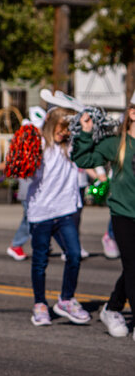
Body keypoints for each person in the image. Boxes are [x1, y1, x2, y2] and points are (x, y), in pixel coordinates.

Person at [72, 91, 135, 338]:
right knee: (132, 267)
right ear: (132, 113)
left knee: (133, 267)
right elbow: (83, 157)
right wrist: (85, 133)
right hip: (124, 215)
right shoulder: (116, 144)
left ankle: (112, 308)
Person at [24, 101, 90, 327]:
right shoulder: (38, 145)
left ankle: (66, 299)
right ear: (52, 124)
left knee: (74, 254)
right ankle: (40, 304)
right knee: (40, 261)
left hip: (65, 211)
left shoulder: (71, 146)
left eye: (69, 129)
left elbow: (90, 144)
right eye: (61, 128)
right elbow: (21, 166)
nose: (65, 133)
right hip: (40, 212)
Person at [5, 106, 46, 261]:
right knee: (31, 218)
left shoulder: (43, 141)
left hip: (40, 189)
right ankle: (16, 244)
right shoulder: (27, 142)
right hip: (28, 189)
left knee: (42, 218)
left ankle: (43, 244)